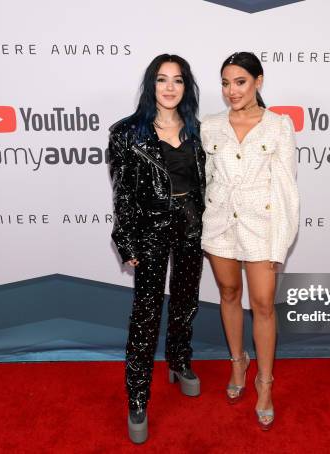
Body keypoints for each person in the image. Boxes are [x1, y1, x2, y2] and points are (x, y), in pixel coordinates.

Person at [108, 54, 206, 444]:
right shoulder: (126, 133)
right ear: (151, 85)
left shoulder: (200, 130)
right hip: (150, 229)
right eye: (162, 79)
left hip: (193, 229)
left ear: (186, 87)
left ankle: (180, 360)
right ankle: (137, 396)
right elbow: (123, 194)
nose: (169, 87)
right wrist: (126, 240)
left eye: (178, 80)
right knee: (146, 314)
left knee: (185, 301)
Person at [200, 52, 299, 431]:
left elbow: (288, 189)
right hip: (220, 226)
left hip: (263, 227)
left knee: (262, 305)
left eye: (239, 81)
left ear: (258, 80)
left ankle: (265, 383)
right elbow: (206, 179)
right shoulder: (210, 126)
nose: (231, 91)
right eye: (225, 83)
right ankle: (238, 363)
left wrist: (279, 245)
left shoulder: (278, 126)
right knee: (228, 295)